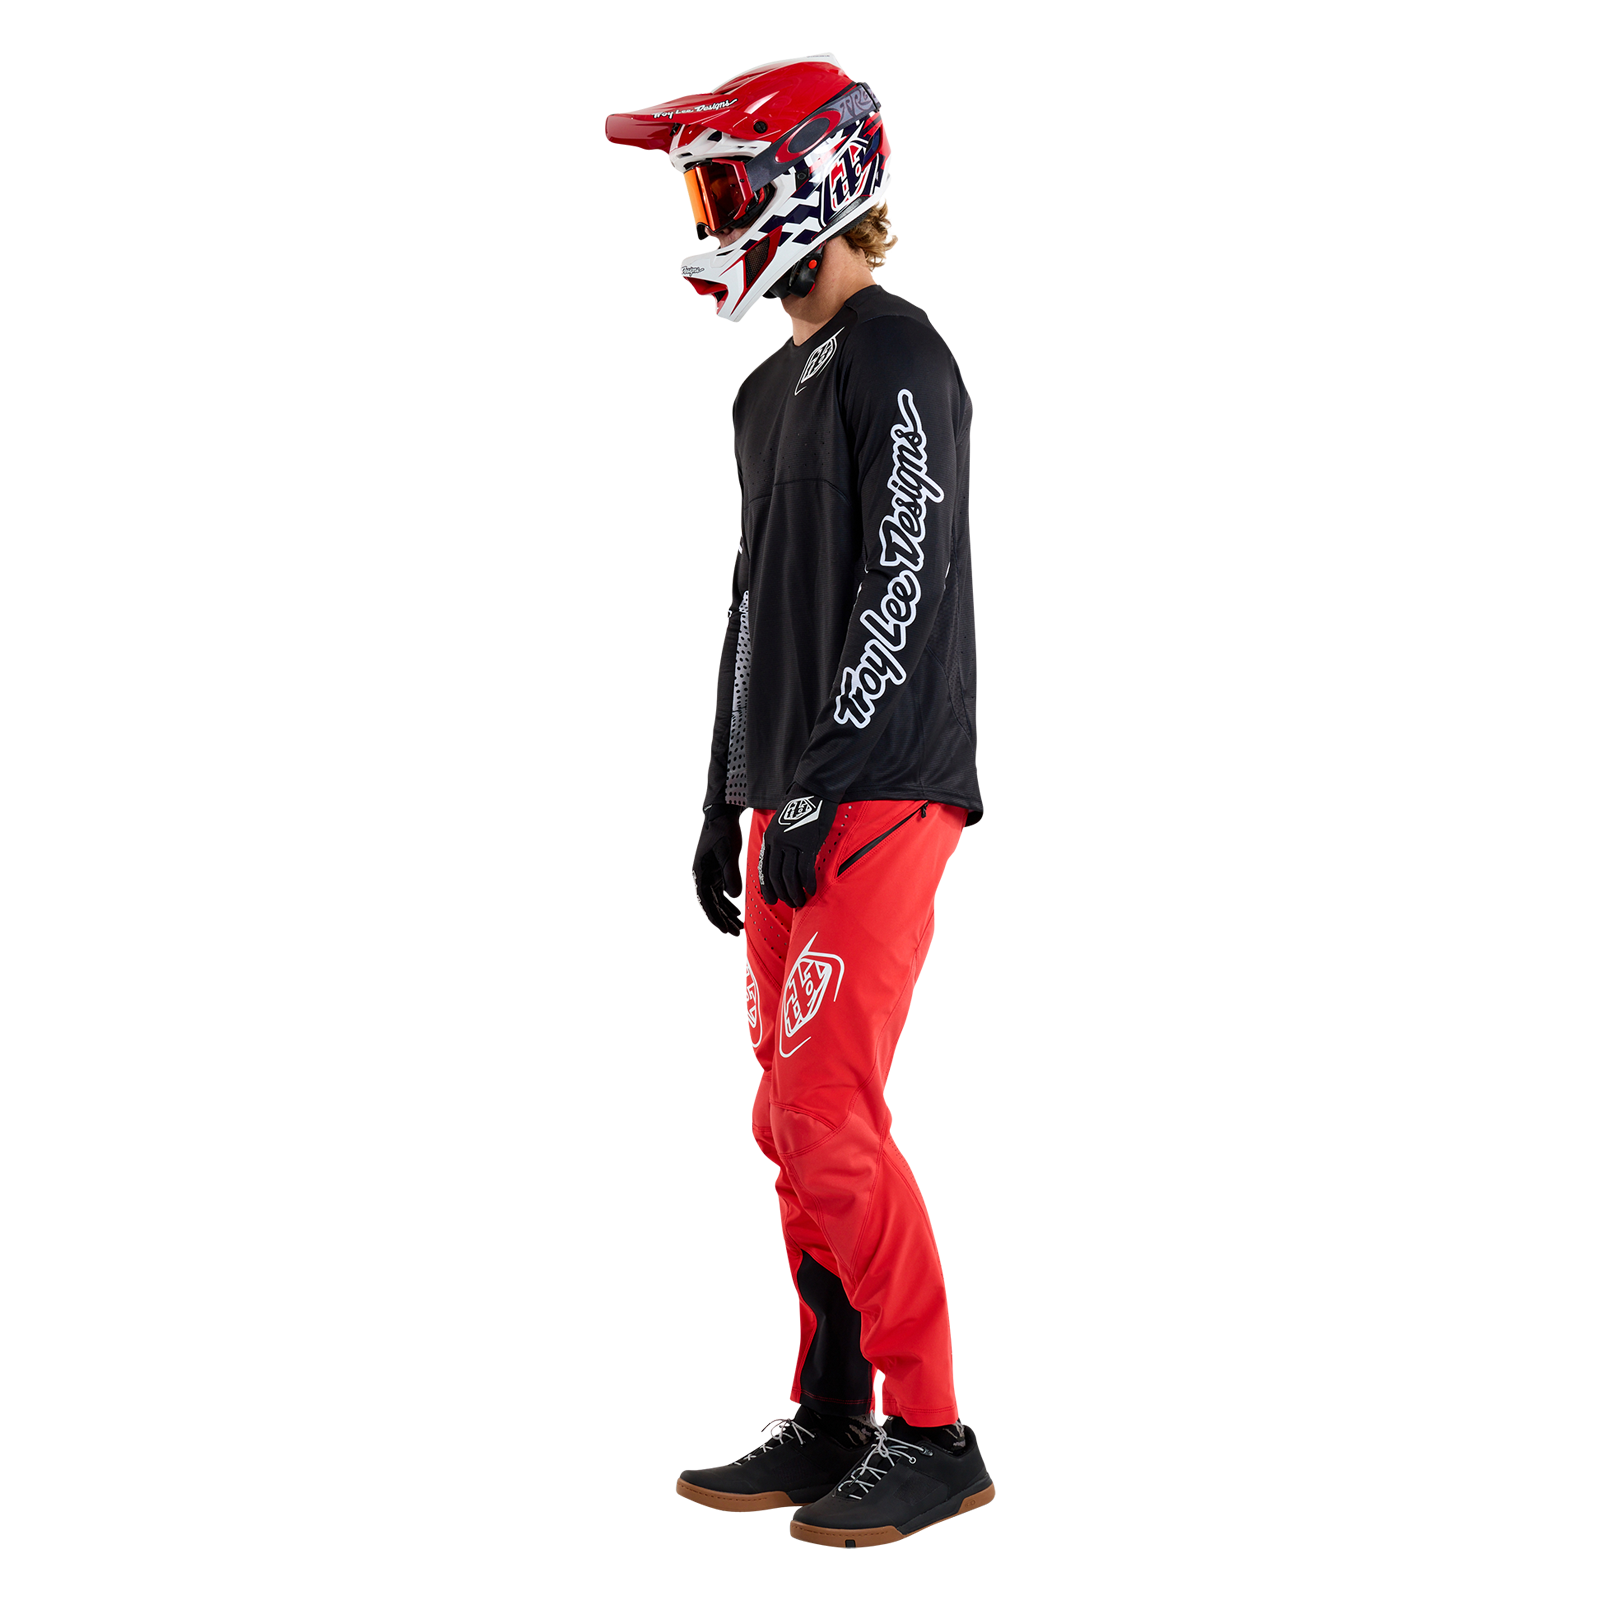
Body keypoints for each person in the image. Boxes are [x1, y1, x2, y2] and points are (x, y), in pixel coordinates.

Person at [618, 58, 993, 1547]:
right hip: (786, 806)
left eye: (726, 186)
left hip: (878, 792)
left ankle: (934, 1426)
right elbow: (754, 603)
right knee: (788, 1126)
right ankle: (831, 1412)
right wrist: (727, 799)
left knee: (827, 1111)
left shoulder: (900, 354)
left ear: (814, 181)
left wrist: (824, 782)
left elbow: (906, 573)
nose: (708, 220)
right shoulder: (772, 383)